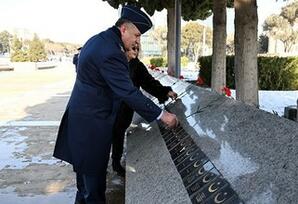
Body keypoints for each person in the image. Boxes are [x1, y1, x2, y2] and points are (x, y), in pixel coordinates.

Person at [53, 5, 178, 204]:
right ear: (123, 29)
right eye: (136, 35)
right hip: (91, 126)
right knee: (93, 189)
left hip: (84, 121)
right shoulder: (111, 51)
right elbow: (128, 92)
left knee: (84, 186)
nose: (138, 40)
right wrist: (162, 115)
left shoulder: (100, 40)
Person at [112, 46, 178, 177]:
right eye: (132, 49)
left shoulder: (136, 65)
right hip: (107, 109)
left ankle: (116, 163)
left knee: (118, 136)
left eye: (137, 49)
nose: (135, 52)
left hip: (124, 110)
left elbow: (149, 83)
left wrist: (165, 91)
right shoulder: (112, 63)